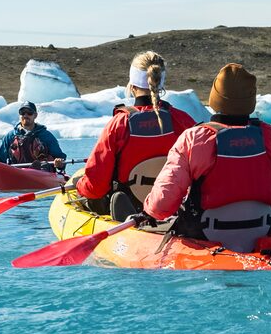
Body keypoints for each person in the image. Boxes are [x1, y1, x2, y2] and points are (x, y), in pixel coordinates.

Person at [142, 63, 271, 252]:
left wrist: (147, 212)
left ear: (215, 99)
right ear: (250, 100)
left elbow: (161, 205)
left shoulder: (193, 139)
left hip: (206, 235)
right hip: (260, 230)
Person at [72, 51, 198, 219]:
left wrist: (79, 185)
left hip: (130, 206)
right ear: (161, 84)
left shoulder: (119, 124)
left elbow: (97, 186)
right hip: (173, 207)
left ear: (131, 85)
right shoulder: (183, 121)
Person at [0, 102, 66, 171]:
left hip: (42, 173)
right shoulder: (10, 136)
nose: (25, 115)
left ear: (35, 115)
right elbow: (0, 158)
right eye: (22, 113)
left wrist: (59, 162)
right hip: (16, 173)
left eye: (29, 113)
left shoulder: (46, 136)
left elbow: (60, 157)